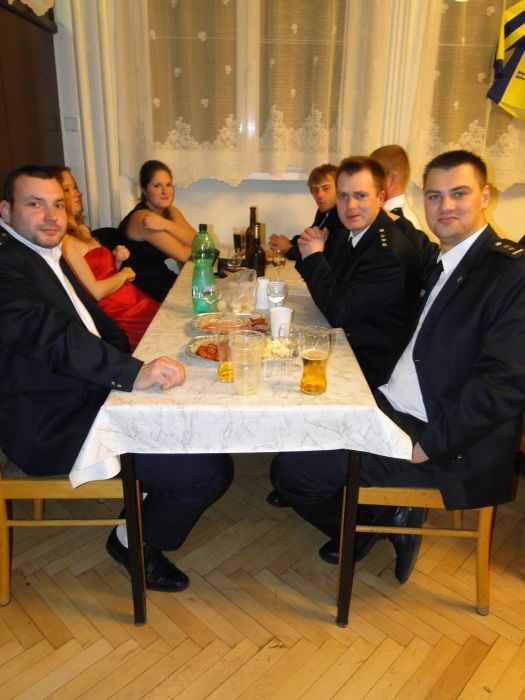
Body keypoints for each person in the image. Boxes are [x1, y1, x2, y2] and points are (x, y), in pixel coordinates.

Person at [270, 150, 525, 584]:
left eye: (459, 194)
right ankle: (382, 515)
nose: (445, 206)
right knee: (294, 426)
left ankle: (374, 522)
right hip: (390, 402)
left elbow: (506, 384)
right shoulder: (445, 260)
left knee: (293, 473)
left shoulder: (509, 274)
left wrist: (431, 445)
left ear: (485, 196)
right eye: (435, 196)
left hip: (441, 441)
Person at [0, 166, 233, 593]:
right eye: (35, 204)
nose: (51, 215)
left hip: (85, 392)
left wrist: (130, 365)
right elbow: (52, 336)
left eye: (57, 204)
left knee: (196, 418)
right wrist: (131, 372)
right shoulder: (6, 266)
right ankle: (131, 541)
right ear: (6, 211)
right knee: (204, 471)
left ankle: (145, 499)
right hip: (50, 420)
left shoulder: (38, 252)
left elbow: (92, 327)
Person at [294, 156, 421, 387]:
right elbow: (331, 287)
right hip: (348, 343)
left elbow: (338, 311)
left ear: (380, 198)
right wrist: (313, 252)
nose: (350, 206)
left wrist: (313, 256)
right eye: (343, 196)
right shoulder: (351, 232)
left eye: (360, 195)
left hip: (371, 367)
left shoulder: (387, 253)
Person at [49, 166, 160, 350]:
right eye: (68, 189)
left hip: (129, 298)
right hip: (118, 312)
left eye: (75, 187)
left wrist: (116, 261)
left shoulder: (83, 230)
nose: (78, 193)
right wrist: (124, 274)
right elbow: (94, 292)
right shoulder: (65, 242)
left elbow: (103, 274)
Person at [117, 160, 195, 302]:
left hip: (160, 277)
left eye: (168, 185)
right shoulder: (143, 219)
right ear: (144, 190)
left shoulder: (169, 210)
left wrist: (166, 224)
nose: (165, 191)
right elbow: (183, 254)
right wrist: (190, 245)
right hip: (140, 289)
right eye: (157, 186)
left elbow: (196, 239)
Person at [269, 163, 346, 265]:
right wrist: (286, 242)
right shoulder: (323, 212)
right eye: (315, 189)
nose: (319, 195)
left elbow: (323, 257)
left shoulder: (344, 218)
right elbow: (309, 239)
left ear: (340, 188)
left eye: (325, 188)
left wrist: (288, 248)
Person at [370, 145, 422, 229]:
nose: (369, 183)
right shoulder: (373, 211)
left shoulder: (406, 224)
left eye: (375, 177)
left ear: (392, 179)